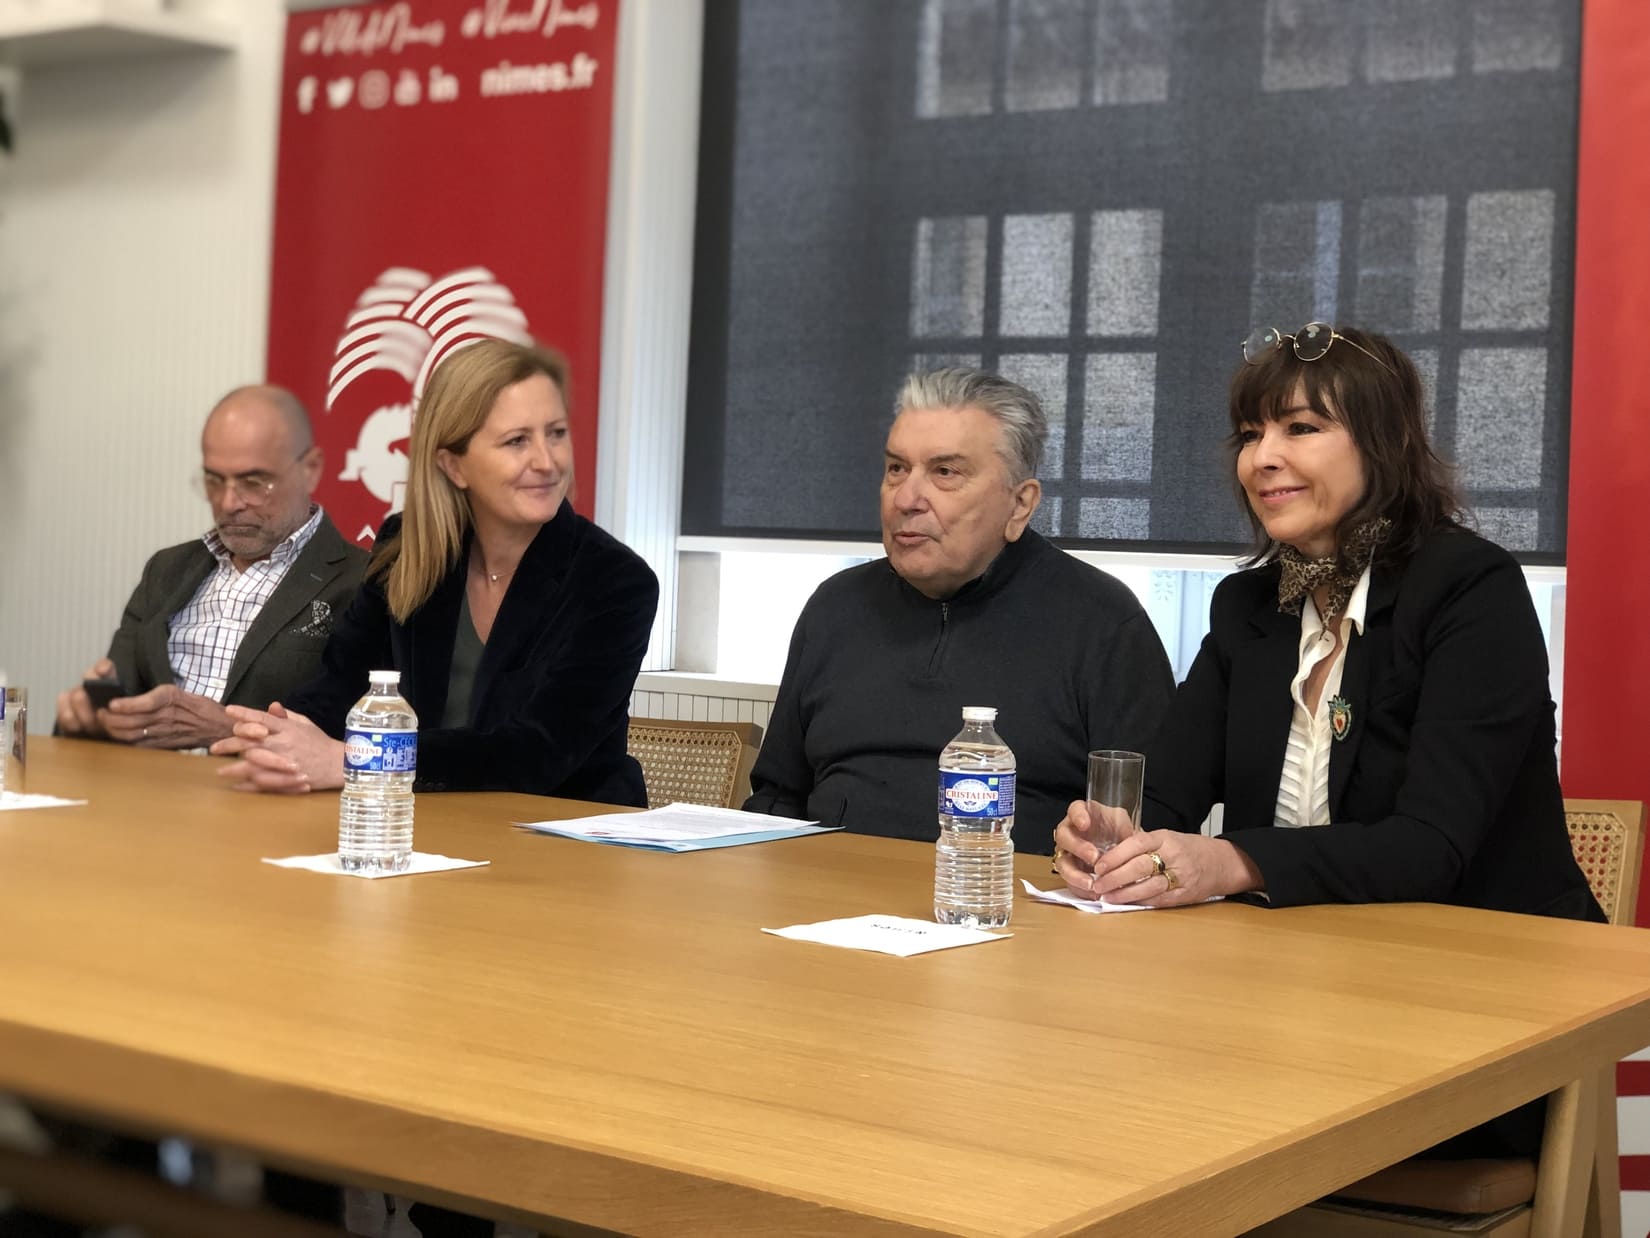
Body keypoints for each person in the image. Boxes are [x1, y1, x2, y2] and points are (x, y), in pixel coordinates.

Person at [1052, 322, 1601, 1158]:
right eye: (1249, 433)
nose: (1262, 457)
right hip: (1291, 988)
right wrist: (1107, 838)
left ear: (1383, 442)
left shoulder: (1470, 589)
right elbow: (1163, 797)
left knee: (1160, 1118)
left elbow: (1431, 847)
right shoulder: (1249, 607)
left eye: (1300, 428)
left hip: (1479, 1003)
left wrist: (1229, 860)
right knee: (1091, 1082)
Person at [210, 338, 658, 805]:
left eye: (557, 433)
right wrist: (273, 732)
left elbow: (538, 753)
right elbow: (342, 689)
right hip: (419, 823)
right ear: (453, 465)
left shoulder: (617, 581)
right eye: (517, 441)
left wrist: (355, 759)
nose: (547, 462)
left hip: (565, 839)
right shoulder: (405, 549)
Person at [745, 366, 1175, 849]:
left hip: (1007, 905)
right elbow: (777, 797)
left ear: (1019, 505)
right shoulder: (835, 607)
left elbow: (1149, 828)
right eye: (896, 469)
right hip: (821, 900)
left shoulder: (1103, 622)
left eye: (945, 472)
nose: (907, 498)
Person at [53, 386, 366, 750]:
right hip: (145, 792)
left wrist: (229, 730)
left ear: (311, 470)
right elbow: (118, 699)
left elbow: (372, 742)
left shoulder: (363, 582)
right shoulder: (166, 571)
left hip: (267, 799)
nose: (229, 503)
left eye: (253, 482)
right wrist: (91, 718)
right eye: (214, 481)